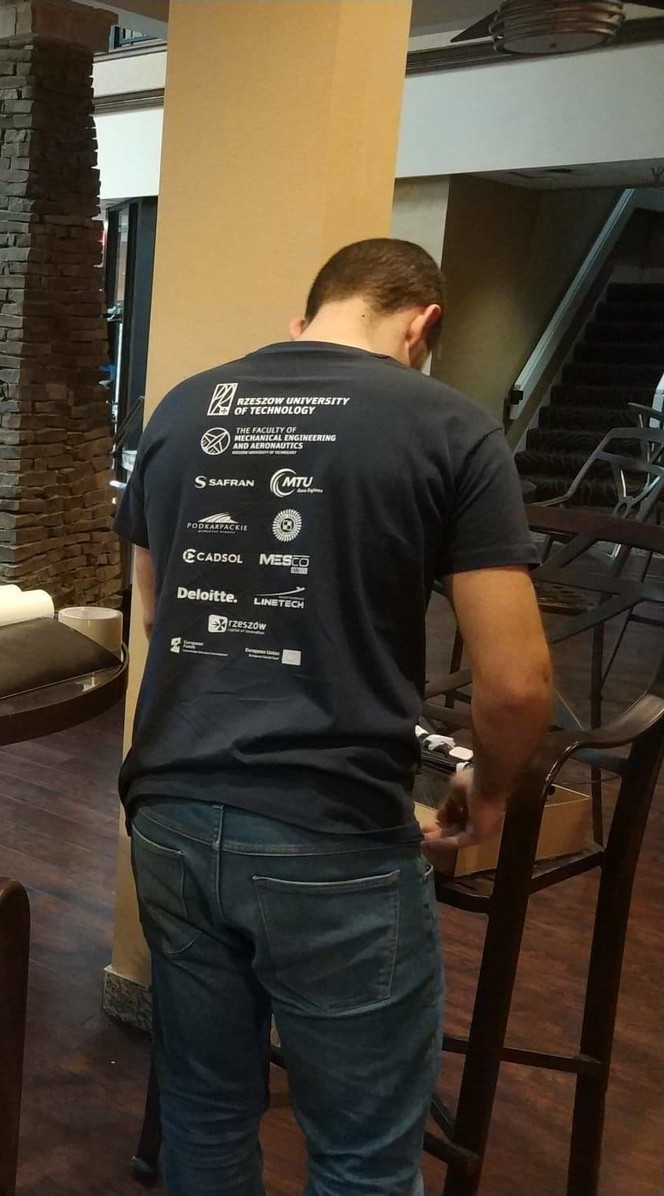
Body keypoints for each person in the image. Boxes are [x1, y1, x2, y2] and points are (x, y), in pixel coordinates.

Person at [116, 239, 553, 1196]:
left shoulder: (183, 408)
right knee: (360, 1153)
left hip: (169, 813)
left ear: (304, 319)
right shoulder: (450, 425)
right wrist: (489, 791)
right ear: (424, 324)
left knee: (202, 1106)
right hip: (332, 833)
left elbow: (156, 615)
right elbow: (519, 684)